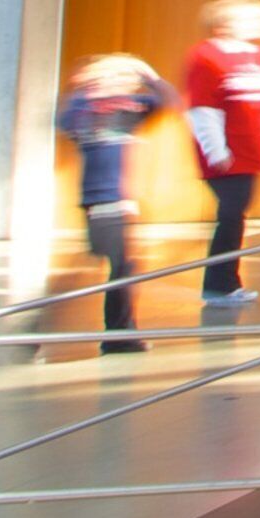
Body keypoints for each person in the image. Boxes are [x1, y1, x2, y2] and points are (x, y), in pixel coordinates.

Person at [59, 53, 178, 352]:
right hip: (100, 197)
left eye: (125, 79)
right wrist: (88, 89)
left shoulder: (132, 107)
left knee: (115, 265)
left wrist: (149, 75)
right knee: (114, 266)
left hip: (122, 199)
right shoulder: (84, 108)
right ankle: (117, 334)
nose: (120, 83)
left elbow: (170, 101)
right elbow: (66, 121)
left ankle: (119, 333)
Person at [181, 0, 260, 309]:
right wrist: (216, 150)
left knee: (236, 214)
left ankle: (225, 282)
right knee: (231, 215)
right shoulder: (206, 56)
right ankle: (220, 284)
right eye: (258, 18)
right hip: (227, 152)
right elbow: (202, 108)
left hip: (252, 148)